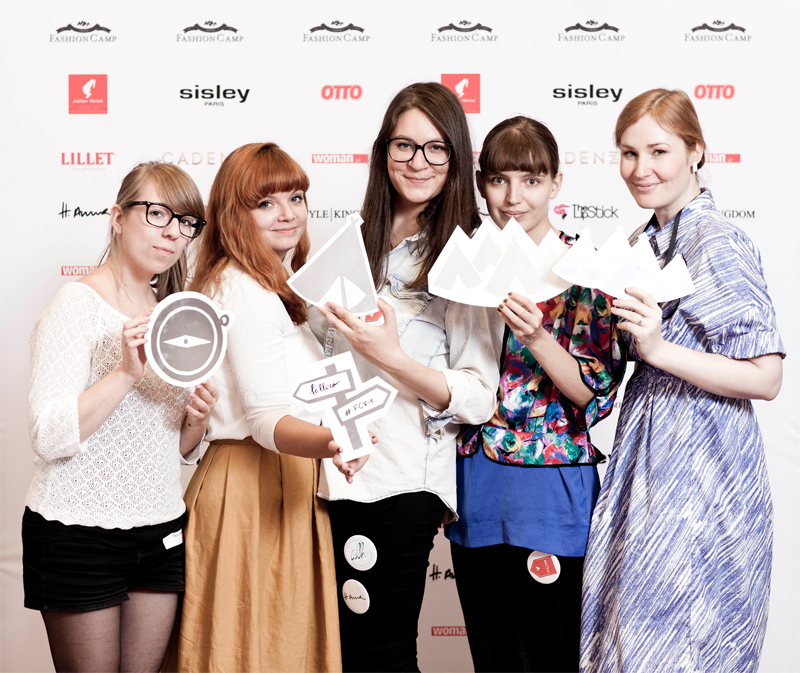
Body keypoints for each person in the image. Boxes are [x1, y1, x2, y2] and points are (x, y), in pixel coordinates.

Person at [580, 89, 785, 672]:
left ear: (695, 152)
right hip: (647, 456)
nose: (640, 169)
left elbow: (766, 376)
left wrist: (658, 349)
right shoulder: (642, 243)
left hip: (704, 466)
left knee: (683, 645)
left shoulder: (715, 240)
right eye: (628, 153)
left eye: (659, 151)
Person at [313, 82, 502, 672]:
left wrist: (391, 357)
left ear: (456, 157)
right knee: (343, 656)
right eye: (404, 145)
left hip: (399, 482)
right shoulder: (352, 241)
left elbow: (479, 395)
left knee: (382, 655)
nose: (418, 161)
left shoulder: (464, 256)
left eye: (435, 148)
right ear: (383, 151)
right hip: (328, 476)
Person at [166, 142, 362, 673]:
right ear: (235, 215)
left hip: (278, 484)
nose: (287, 214)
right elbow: (266, 421)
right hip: (252, 488)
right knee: (253, 650)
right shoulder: (245, 291)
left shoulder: (266, 284)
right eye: (265, 203)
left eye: (295, 198)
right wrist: (335, 442)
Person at [443, 116, 626, 672]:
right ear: (482, 185)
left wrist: (538, 337)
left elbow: (594, 396)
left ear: (555, 184)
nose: (513, 197)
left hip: (552, 486)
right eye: (499, 180)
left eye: (530, 180)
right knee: (491, 655)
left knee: (550, 653)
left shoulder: (587, 271)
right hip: (476, 480)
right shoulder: (464, 267)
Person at [24, 161, 218, 673]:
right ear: (116, 217)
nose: (172, 232)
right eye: (157, 213)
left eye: (186, 222)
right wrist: (126, 373)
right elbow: (47, 435)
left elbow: (171, 446)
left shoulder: (174, 313)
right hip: (77, 533)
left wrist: (196, 421)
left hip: (160, 531)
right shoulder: (76, 305)